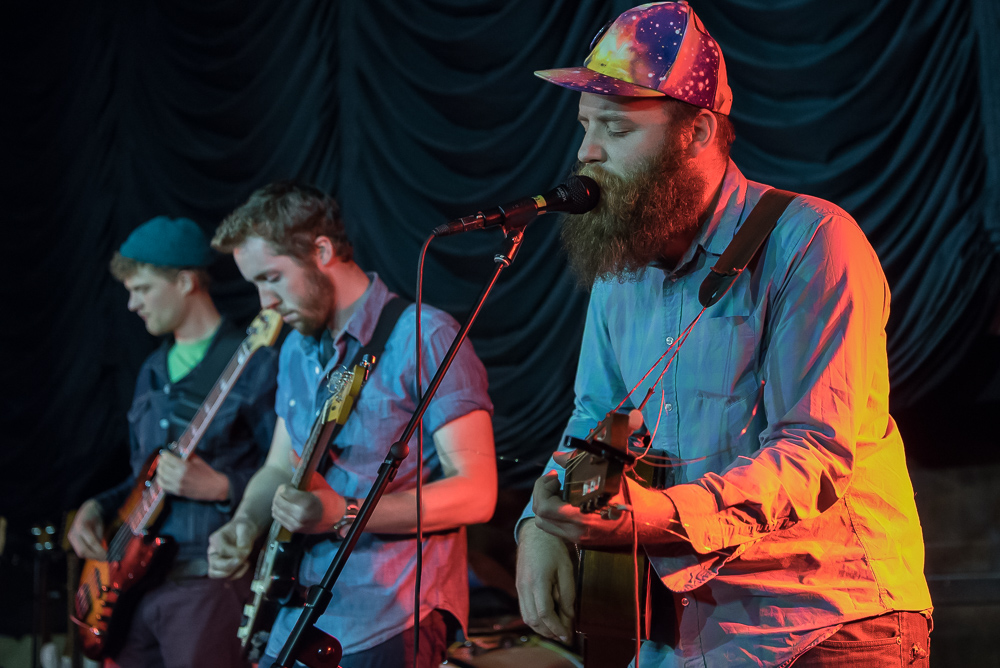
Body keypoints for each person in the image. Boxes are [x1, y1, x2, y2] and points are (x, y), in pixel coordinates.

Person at [514, 3, 933, 666]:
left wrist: (654, 515)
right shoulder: (618, 274)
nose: (586, 154)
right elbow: (593, 421)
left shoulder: (814, 244)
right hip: (684, 641)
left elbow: (813, 453)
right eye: (586, 127)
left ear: (698, 133)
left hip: (826, 626)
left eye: (616, 129)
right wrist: (539, 527)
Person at [206, 182, 497, 668]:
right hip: (299, 614)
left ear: (321, 251)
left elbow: (477, 492)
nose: (264, 303)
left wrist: (343, 513)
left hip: (393, 615)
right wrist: (243, 523)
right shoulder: (297, 350)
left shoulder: (426, 334)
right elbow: (282, 465)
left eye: (272, 277)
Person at [67, 216, 279, 668]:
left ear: (185, 281)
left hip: (206, 588)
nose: (132, 304)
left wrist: (223, 487)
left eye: (141, 289)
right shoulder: (152, 370)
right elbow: (140, 477)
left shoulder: (257, 363)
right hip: (134, 593)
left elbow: (290, 471)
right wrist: (98, 509)